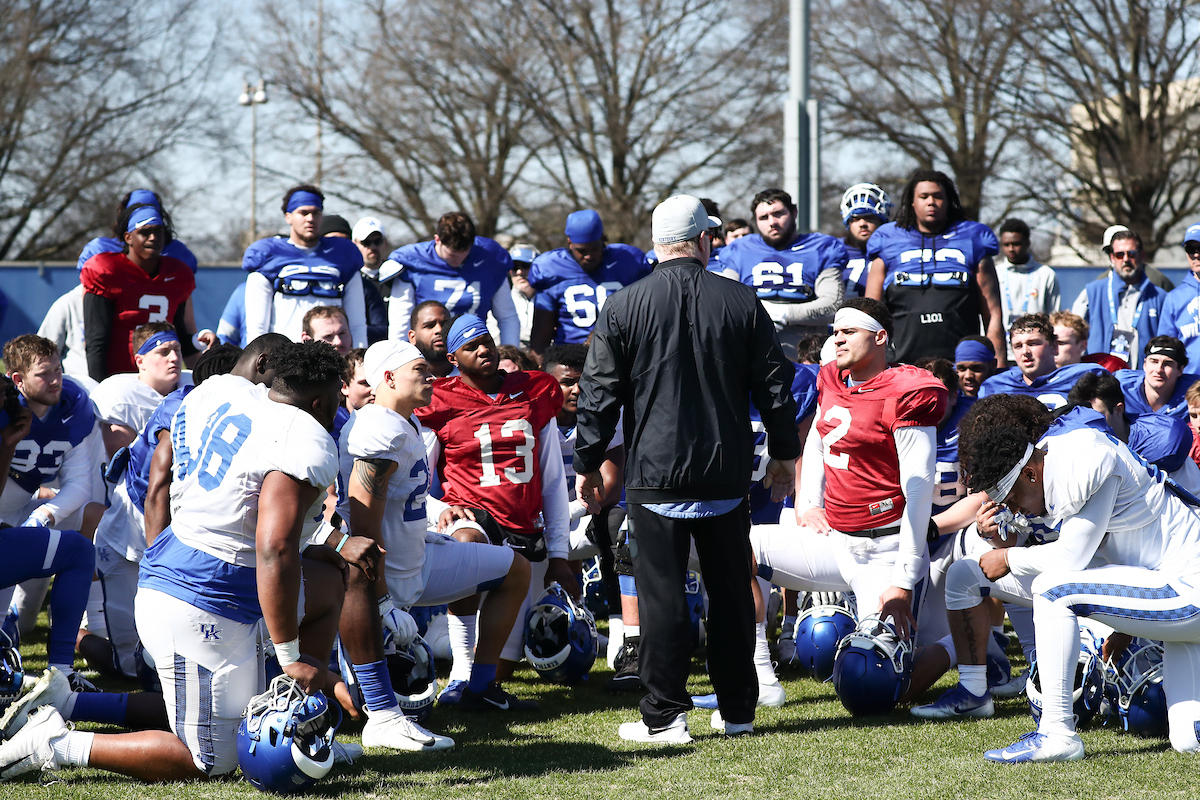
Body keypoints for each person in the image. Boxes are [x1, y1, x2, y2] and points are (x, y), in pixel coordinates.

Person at [0, 341, 359, 782]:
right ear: (319, 401)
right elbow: (275, 547)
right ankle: (53, 744)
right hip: (203, 594)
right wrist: (290, 656)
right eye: (337, 399)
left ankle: (292, 720)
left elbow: (179, 473)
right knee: (212, 759)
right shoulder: (305, 438)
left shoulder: (221, 389)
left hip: (184, 559)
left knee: (324, 582)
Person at [574, 194, 801, 743]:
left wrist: (588, 461)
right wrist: (785, 453)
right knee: (728, 593)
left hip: (655, 473)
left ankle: (665, 716)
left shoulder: (625, 304)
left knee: (663, 597)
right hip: (726, 470)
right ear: (704, 240)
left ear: (656, 245)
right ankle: (738, 712)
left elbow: (597, 394)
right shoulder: (742, 300)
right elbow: (776, 386)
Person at [961, 408, 1200, 762]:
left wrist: (1008, 558)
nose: (1017, 511)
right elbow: (1110, 555)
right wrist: (1127, 625)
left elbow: (1071, 560)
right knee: (1188, 740)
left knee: (1053, 590)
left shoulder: (1084, 460)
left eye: (1012, 500)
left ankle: (1057, 733)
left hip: (1187, 589)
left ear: (1029, 473)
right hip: (1172, 587)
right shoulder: (1057, 460)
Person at [335, 340, 534, 737]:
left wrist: (432, 514)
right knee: (362, 705)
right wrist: (381, 596)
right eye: (419, 371)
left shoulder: (404, 421)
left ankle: (479, 686)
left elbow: (403, 493)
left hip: (416, 560)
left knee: (515, 570)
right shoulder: (378, 428)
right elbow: (362, 522)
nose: (430, 377)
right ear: (388, 378)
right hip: (385, 576)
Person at [749, 299, 946, 672]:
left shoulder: (906, 391)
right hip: (835, 541)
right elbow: (819, 440)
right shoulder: (831, 378)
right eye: (835, 332)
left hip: (886, 549)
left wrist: (903, 581)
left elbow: (918, 490)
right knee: (732, 549)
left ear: (880, 337)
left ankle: (969, 655)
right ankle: (758, 677)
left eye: (849, 332)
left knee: (873, 678)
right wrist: (808, 502)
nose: (838, 340)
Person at [415, 314, 573, 694]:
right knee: (467, 543)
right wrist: (439, 510)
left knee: (507, 665)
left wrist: (560, 555)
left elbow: (551, 481)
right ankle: (460, 675)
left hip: (523, 523)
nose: (484, 350)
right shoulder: (440, 399)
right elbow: (414, 478)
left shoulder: (534, 391)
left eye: (485, 341)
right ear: (453, 358)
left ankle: (483, 682)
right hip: (472, 513)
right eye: (471, 346)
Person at [82, 343, 243, 680]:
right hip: (130, 531)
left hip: (172, 529)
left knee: (172, 658)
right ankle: (76, 639)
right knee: (132, 667)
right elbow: (157, 489)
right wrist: (161, 563)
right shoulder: (182, 406)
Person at [0, 336, 104, 636]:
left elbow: (80, 482)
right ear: (17, 379)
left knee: (93, 514)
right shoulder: (5, 408)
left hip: (25, 510)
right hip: (4, 511)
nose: (55, 380)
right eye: (44, 374)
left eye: (58, 370)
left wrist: (44, 516)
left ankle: (98, 625)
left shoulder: (73, 403)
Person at [865, 169, 1005, 365]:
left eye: (938, 196)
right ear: (912, 202)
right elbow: (870, 313)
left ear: (949, 201)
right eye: (924, 196)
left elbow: (993, 313)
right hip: (901, 363)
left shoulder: (973, 238)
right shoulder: (887, 239)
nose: (931, 201)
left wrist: (997, 366)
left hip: (963, 367)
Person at [716, 188, 847, 358]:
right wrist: (758, 316)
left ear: (794, 212)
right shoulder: (739, 249)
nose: (772, 222)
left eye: (778, 214)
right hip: (750, 353)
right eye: (763, 217)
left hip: (804, 355)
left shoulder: (821, 248)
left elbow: (833, 305)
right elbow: (723, 304)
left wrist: (784, 314)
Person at [81, 203, 205, 380]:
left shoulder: (178, 274)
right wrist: (100, 387)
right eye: (145, 232)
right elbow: (96, 341)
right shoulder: (107, 270)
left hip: (161, 381)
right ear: (128, 237)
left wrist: (199, 342)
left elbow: (179, 336)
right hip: (120, 379)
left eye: (158, 231)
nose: (153, 237)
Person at [242, 185, 367, 346]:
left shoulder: (343, 256)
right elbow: (256, 328)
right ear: (288, 217)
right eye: (303, 213)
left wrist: (360, 360)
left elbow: (357, 324)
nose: (310, 218)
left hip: (332, 358)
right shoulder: (267, 257)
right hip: (284, 359)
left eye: (316, 213)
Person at [381, 212, 520, 344]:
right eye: (452, 254)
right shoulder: (412, 262)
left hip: (471, 348)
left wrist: (511, 353)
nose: (458, 260)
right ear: (437, 239)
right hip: (429, 353)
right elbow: (400, 322)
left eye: (464, 253)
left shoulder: (491, 259)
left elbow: (507, 316)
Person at [527, 210, 648, 358]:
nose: (589, 256)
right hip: (572, 358)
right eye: (582, 251)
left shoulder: (629, 261)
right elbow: (541, 334)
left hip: (621, 354)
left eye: (594, 248)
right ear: (569, 243)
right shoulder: (551, 267)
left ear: (603, 240)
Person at [89, 323, 187, 458]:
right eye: (164, 352)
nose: (174, 358)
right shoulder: (120, 395)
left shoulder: (198, 385)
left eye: (177, 350)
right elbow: (124, 472)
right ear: (140, 361)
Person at [1071, 229, 1165, 369]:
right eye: (1119, 254)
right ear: (1112, 258)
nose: (1126, 259)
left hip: (1141, 383)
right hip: (1097, 381)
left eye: (1131, 253)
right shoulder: (1092, 292)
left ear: (1142, 255)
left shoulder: (1160, 297)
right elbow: (1072, 337)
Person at [978, 313, 1103, 409]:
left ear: (1053, 347)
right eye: (1018, 346)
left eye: (1033, 344)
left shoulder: (1087, 376)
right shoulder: (994, 386)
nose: (1025, 351)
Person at [994, 219, 1060, 360]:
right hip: (1001, 353)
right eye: (1006, 245)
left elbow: (1053, 317)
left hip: (1035, 354)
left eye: (1016, 244)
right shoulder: (994, 273)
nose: (1011, 249)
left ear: (1027, 244)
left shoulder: (1045, 274)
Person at [1115, 336, 1200, 418]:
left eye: (1167, 364)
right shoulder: (1120, 384)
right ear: (1145, 364)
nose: (1159, 370)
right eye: (1154, 362)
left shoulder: (1193, 391)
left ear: (1180, 370)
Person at [838, 183, 893, 299]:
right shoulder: (834, 250)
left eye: (869, 217)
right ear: (848, 223)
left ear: (882, 221)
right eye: (856, 219)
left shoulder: (894, 251)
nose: (862, 224)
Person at [1158, 222, 1200, 368]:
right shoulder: (1174, 298)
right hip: (1187, 385)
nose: (1196, 254)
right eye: (1190, 249)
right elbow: (1166, 349)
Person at [407, 301, 454, 378]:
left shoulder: (472, 377)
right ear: (412, 337)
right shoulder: (405, 381)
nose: (439, 330)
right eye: (429, 326)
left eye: (445, 324)